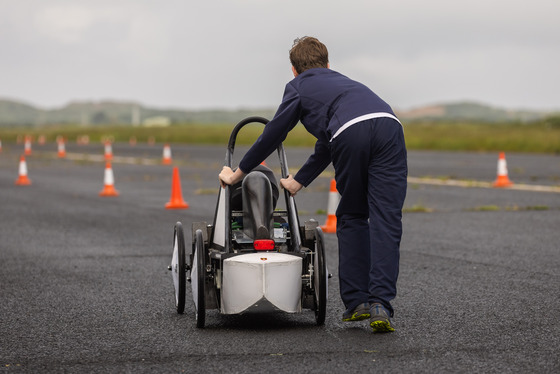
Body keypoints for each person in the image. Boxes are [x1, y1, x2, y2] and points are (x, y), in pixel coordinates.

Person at [219, 36, 407, 333]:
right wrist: (298, 181)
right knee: (387, 219)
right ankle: (381, 303)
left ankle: (358, 301)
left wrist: (237, 173)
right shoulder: (344, 83)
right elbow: (328, 143)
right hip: (390, 125)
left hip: (350, 133)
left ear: (294, 70)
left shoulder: (299, 86)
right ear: (328, 64)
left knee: (354, 215)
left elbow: (273, 133)